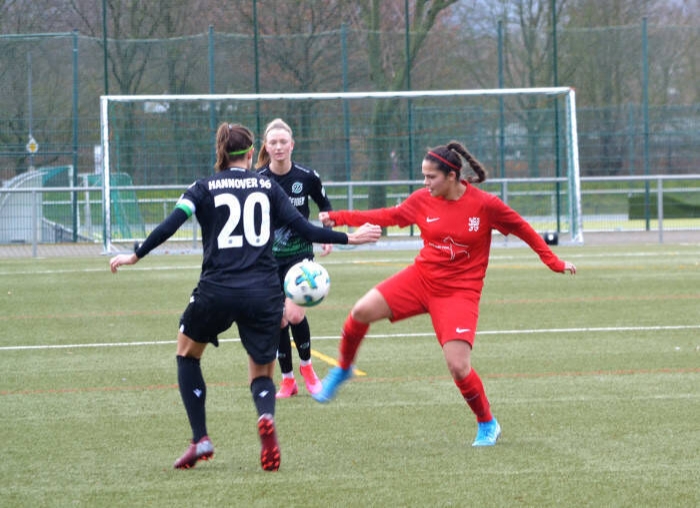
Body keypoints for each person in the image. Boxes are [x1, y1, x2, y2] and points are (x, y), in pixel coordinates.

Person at [109, 123, 381, 471]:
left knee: (187, 355)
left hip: (216, 289)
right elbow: (304, 228)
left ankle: (200, 438)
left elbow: (170, 225)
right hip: (262, 292)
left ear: (220, 152)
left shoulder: (202, 187)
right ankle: (265, 416)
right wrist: (350, 238)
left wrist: (135, 255)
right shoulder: (267, 186)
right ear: (253, 153)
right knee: (262, 373)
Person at [312, 140, 576, 447]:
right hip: (420, 279)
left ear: (452, 176)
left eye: (431, 177)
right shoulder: (422, 200)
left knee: (458, 367)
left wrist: (553, 262)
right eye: (423, 176)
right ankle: (343, 368)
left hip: (459, 293)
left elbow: (523, 229)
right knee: (360, 311)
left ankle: (487, 423)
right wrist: (340, 217)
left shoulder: (485, 205)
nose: (425, 183)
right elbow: (389, 216)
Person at [256, 118, 333, 399]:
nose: (278, 147)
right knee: (278, 320)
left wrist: (327, 232)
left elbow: (325, 205)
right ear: (266, 147)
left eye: (283, 142)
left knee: (295, 314)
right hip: (268, 259)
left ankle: (307, 369)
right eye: (273, 142)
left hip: (300, 256)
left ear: (292, 145)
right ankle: (288, 380)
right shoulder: (258, 180)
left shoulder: (307, 177)